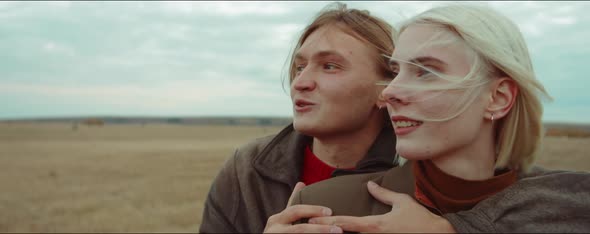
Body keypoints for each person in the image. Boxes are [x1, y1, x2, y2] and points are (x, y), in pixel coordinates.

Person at [291, 3, 590, 233]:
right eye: (396, 72)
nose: (390, 92)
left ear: (498, 98)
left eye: (426, 72)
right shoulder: (326, 209)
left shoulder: (570, 207)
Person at [199, 2, 400, 233]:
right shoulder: (246, 170)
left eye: (330, 66)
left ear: (388, 89)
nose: (300, 83)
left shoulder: (423, 177)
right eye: (299, 67)